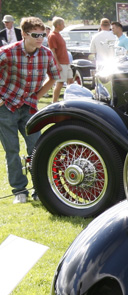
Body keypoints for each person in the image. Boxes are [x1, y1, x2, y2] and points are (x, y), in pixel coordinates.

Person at [0, 17, 61, 203]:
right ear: (24, 34)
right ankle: (19, 191)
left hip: (30, 107)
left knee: (36, 148)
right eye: (35, 35)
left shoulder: (46, 54)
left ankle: (39, 189)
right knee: (12, 150)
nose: (40, 38)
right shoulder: (7, 52)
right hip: (7, 107)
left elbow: (55, 77)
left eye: (42, 34)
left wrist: (37, 96)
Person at [46, 17, 71, 102]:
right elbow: (53, 51)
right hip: (61, 62)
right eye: (63, 24)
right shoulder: (52, 35)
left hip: (66, 62)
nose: (64, 26)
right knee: (60, 83)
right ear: (58, 25)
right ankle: (54, 101)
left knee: (70, 81)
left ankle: (70, 100)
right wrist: (57, 64)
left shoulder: (59, 34)